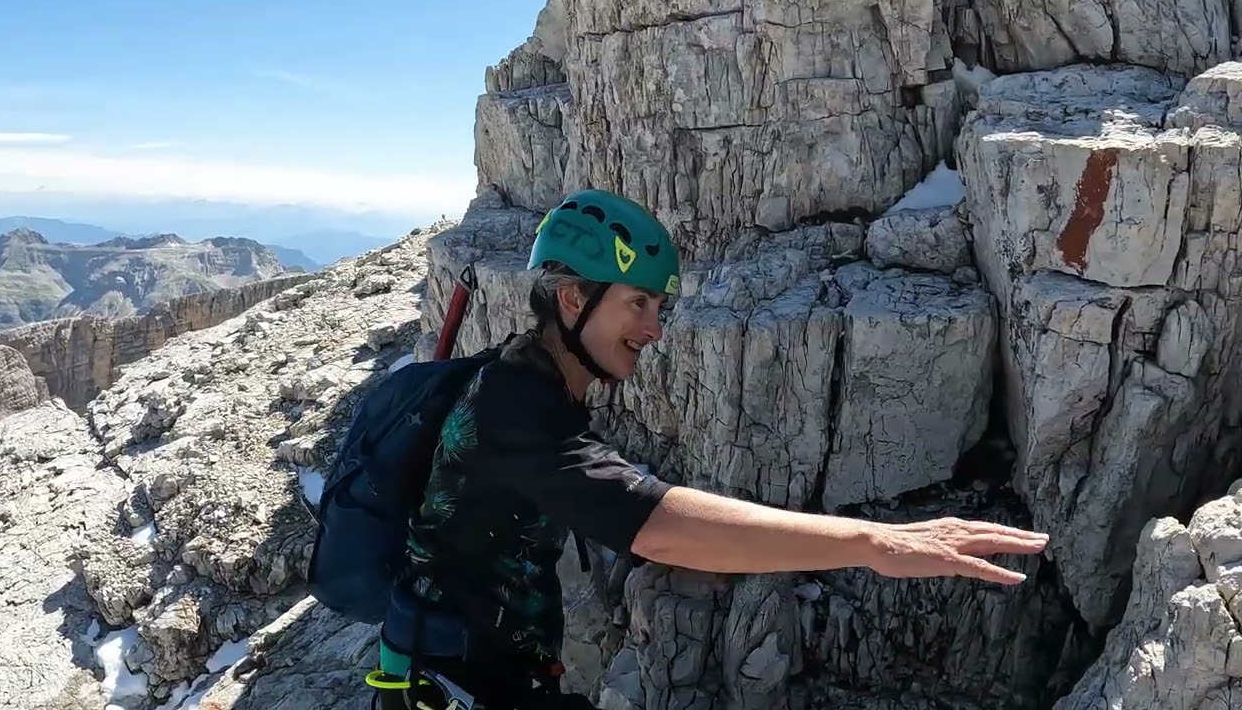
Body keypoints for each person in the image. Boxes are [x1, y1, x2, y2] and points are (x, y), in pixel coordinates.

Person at [376, 188, 1049, 710]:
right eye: (639, 304)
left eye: (658, 308)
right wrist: (874, 544)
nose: (654, 329)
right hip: (457, 687)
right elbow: (659, 529)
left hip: (471, 676)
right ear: (575, 298)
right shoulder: (514, 411)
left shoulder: (528, 384)